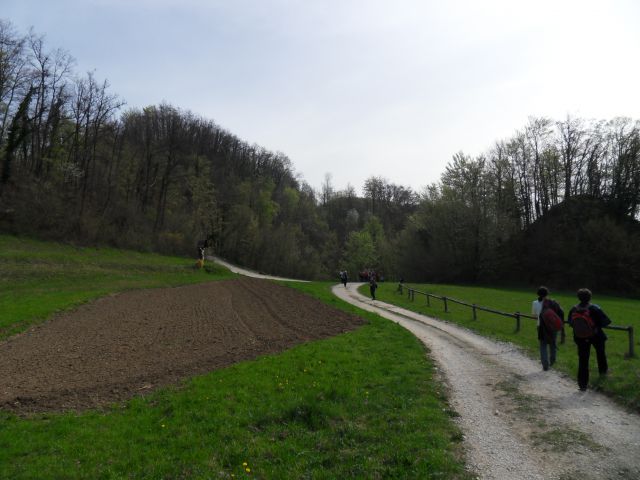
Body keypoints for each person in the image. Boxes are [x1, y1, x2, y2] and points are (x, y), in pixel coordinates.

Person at [567, 288, 611, 391]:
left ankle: (582, 385)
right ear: (590, 297)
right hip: (596, 336)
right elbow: (606, 322)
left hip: (580, 338)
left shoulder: (574, 309)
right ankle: (602, 377)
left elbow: (570, 323)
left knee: (583, 360)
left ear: (578, 297)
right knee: (601, 355)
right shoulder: (595, 308)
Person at [531, 286, 564, 371]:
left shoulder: (535, 303)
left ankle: (545, 364)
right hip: (553, 327)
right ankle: (552, 361)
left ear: (538, 294)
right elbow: (560, 313)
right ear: (547, 294)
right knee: (553, 343)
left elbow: (534, 316)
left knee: (543, 345)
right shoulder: (553, 302)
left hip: (541, 326)